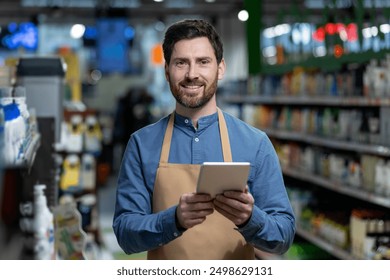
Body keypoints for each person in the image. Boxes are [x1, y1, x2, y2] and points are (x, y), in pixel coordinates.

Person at [113, 19, 295, 260]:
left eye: (203, 62)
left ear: (220, 69)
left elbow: (283, 236)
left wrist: (251, 218)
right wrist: (174, 220)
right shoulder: (142, 144)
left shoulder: (255, 144)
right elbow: (126, 234)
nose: (192, 74)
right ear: (167, 71)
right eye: (181, 63)